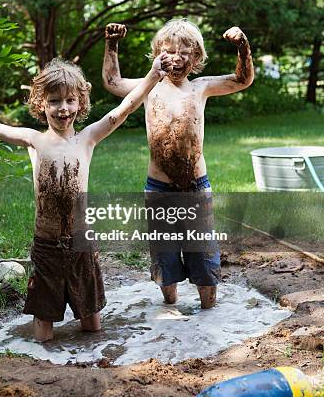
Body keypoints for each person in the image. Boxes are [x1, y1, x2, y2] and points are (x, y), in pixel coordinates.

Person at [0, 52, 171, 342]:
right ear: (42, 104)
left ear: (80, 103)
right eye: (54, 101)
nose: (62, 109)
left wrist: (154, 74)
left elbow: (125, 108)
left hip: (82, 244)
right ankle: (42, 363)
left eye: (69, 101)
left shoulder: (88, 138)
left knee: (92, 325)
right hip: (46, 245)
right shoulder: (34, 140)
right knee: (43, 330)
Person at [102, 19, 254, 309]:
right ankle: (170, 308)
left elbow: (242, 79)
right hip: (158, 188)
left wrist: (243, 47)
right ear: (158, 54)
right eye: (169, 51)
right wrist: (112, 45)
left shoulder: (200, 88)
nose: (176, 57)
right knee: (164, 254)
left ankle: (209, 315)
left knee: (203, 253)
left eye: (185, 52)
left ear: (196, 58)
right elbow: (112, 82)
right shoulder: (148, 88)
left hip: (196, 187)